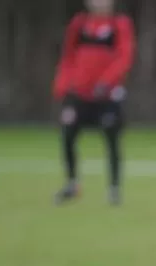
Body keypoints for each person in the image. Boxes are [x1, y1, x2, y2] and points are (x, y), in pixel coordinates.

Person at [51, 0, 135, 206]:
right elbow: (68, 57)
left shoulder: (119, 25)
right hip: (79, 93)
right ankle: (72, 184)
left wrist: (106, 82)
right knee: (68, 134)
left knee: (112, 139)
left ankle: (114, 189)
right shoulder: (79, 24)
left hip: (107, 96)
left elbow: (125, 57)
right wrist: (62, 85)